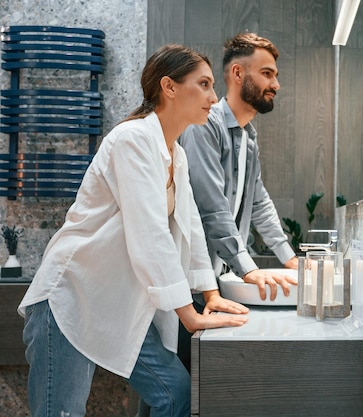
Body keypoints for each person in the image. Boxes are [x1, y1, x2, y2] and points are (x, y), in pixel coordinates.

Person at [17, 44, 250, 417]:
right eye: (204, 84)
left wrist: (210, 292)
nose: (213, 96)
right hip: (71, 297)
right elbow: (150, 233)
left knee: (175, 395)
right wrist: (190, 315)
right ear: (169, 87)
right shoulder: (132, 140)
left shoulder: (177, 153)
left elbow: (189, 224)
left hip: (119, 304)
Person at [178, 32, 298, 303]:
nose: (276, 84)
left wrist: (289, 258)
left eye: (275, 75)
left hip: (216, 279)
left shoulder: (248, 139)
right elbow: (211, 206)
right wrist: (248, 269)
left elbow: (258, 203)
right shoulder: (205, 126)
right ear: (237, 73)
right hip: (190, 281)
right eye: (267, 73)